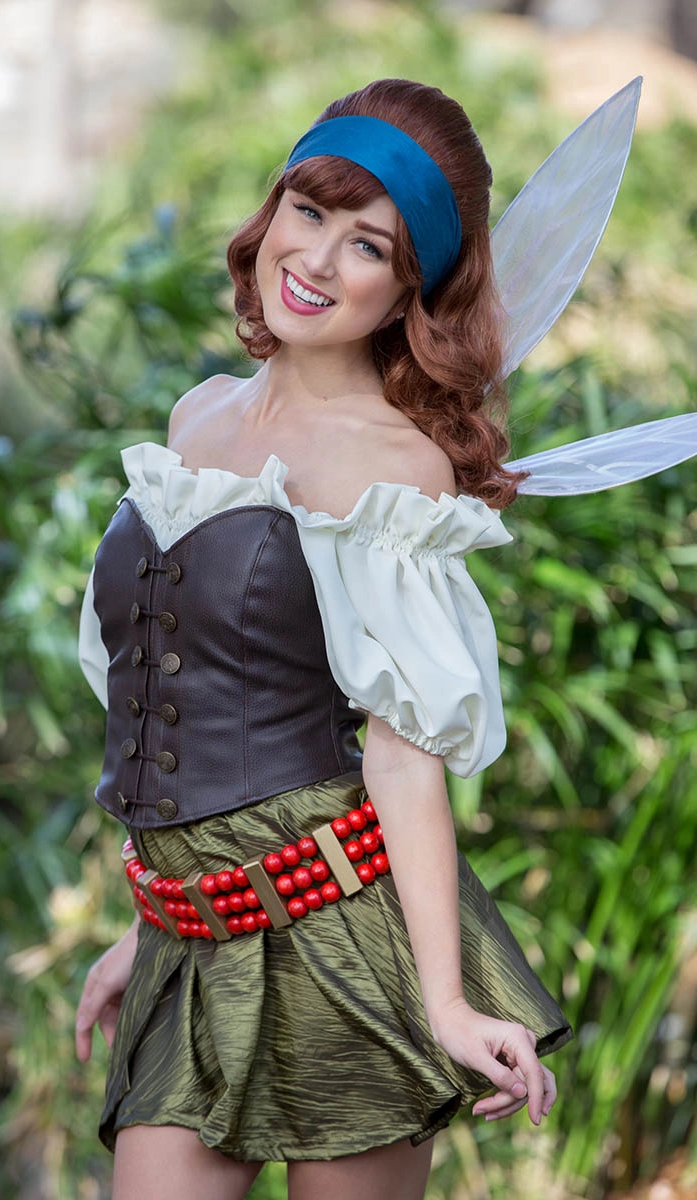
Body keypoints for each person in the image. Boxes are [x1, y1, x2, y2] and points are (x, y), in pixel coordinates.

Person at [74, 78, 574, 1200]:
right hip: (192, 935)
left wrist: (447, 1001)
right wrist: (147, 931)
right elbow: (187, 697)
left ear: (408, 291)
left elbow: (402, 757)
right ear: (272, 212)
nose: (317, 259)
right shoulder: (196, 416)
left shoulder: (395, 466)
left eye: (368, 246)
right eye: (309, 211)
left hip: (341, 929)